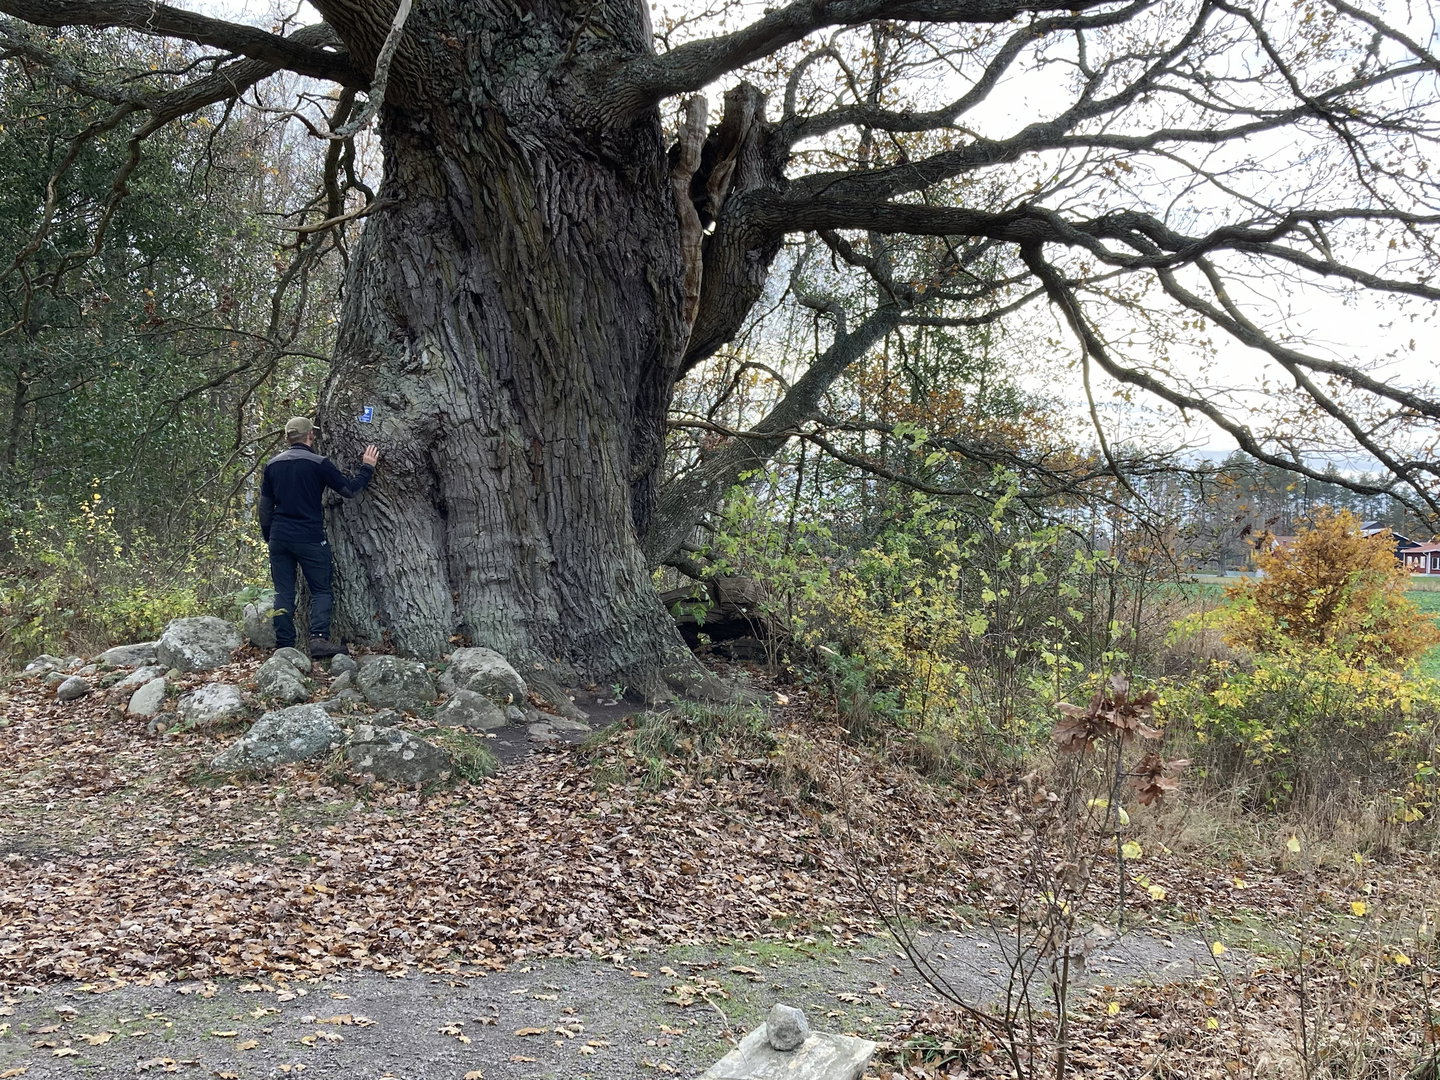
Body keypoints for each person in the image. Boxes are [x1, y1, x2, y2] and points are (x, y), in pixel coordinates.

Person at [259, 416, 379, 658]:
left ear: (287, 438)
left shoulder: (272, 465)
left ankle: (284, 647)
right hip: (310, 537)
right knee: (321, 590)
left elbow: (264, 507)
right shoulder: (319, 463)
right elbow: (349, 490)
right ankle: (318, 640)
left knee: (284, 592)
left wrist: (269, 537)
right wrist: (367, 467)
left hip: (280, 537)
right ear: (310, 437)